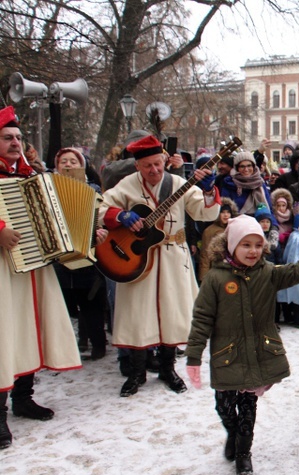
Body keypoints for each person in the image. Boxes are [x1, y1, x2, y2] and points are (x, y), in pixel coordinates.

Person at [185, 215, 299, 475]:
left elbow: (296, 272)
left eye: (258, 245)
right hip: (227, 356)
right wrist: (193, 356)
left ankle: (244, 454)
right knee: (223, 406)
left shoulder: (267, 273)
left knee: (247, 408)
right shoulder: (215, 279)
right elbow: (202, 320)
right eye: (246, 245)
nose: (253, 251)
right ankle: (233, 434)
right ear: (231, 246)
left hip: (258, 354)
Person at [98, 134, 220, 397]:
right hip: (136, 259)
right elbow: (101, 207)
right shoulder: (126, 185)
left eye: (157, 163)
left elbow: (204, 212)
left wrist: (209, 191)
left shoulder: (178, 182)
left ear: (165, 159)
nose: (153, 170)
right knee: (137, 314)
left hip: (174, 257)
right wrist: (120, 215)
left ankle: (167, 368)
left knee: (173, 313)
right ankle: (136, 372)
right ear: (137, 166)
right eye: (147, 166)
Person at [0, 106, 82, 450]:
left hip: (35, 264)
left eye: (18, 137)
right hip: (3, 268)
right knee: (4, 333)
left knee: (31, 328)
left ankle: (23, 397)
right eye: (7, 138)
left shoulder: (33, 173)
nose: (15, 143)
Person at [52, 147, 109, 359]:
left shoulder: (93, 190)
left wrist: (101, 231)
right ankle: (65, 348)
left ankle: (97, 344)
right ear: (56, 166)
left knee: (91, 303)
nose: (68, 165)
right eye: (63, 161)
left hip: (88, 256)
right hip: (59, 257)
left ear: (82, 165)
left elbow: (103, 217)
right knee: (62, 305)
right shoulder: (48, 189)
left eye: (73, 161)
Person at [220, 151, 274, 218]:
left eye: (249, 165)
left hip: (260, 223)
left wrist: (274, 226)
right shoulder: (229, 184)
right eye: (242, 166)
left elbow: (269, 209)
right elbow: (224, 210)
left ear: (253, 166)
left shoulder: (260, 184)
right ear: (237, 168)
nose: (246, 169)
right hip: (236, 223)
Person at [198, 198, 238, 281]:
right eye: (222, 212)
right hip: (216, 271)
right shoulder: (209, 231)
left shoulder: (236, 228)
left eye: (228, 212)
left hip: (233, 271)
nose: (226, 215)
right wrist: (203, 277)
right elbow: (205, 255)